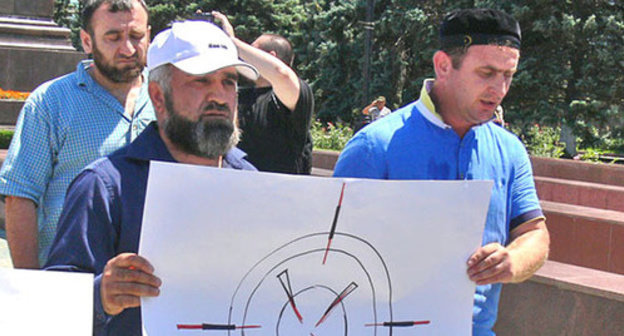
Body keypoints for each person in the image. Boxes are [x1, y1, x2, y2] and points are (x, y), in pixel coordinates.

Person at [333, 8, 549, 336]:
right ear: (444, 66)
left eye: (508, 75)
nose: (500, 89)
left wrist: (513, 261)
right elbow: (330, 252)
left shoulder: (510, 150)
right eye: (487, 72)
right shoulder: (375, 146)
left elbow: (534, 234)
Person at [44, 20, 258, 335]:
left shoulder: (252, 182)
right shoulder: (104, 187)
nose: (220, 96)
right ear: (158, 97)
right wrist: (102, 295)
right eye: (201, 80)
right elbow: (52, 309)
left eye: (228, 81)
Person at [0, 0, 155, 269]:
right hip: (71, 281)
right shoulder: (50, 102)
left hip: (152, 285)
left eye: (136, 36)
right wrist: (30, 285)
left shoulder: (167, 99)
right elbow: (20, 196)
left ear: (149, 36)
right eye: (113, 37)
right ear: (87, 41)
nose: (128, 48)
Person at [213, 12, 314, 174]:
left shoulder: (293, 96)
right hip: (238, 189)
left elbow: (281, 74)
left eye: (251, 49)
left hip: (281, 194)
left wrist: (232, 42)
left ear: (270, 56)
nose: (243, 55)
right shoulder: (240, 95)